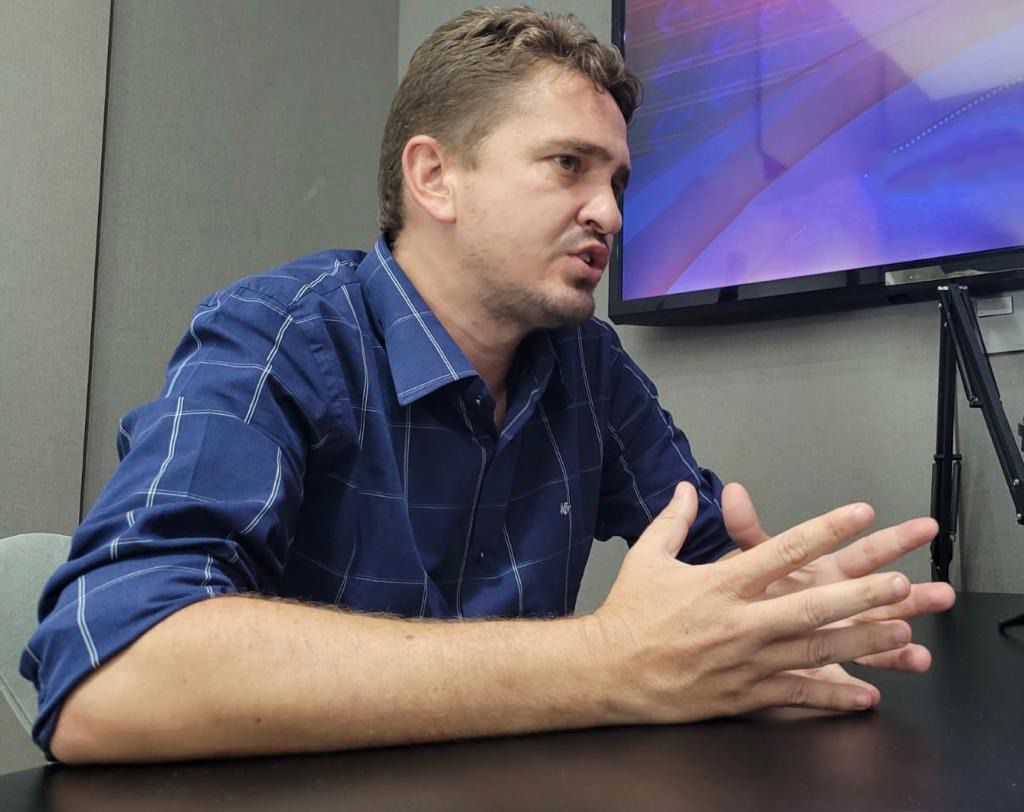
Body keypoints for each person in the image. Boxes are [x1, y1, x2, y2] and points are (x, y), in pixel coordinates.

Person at [24, 7, 954, 764]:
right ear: (435, 177)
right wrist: (604, 662)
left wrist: (774, 621)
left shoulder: (588, 364)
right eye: (569, 165)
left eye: (619, 182)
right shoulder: (279, 336)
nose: (609, 214)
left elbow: (704, 589)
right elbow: (111, 676)